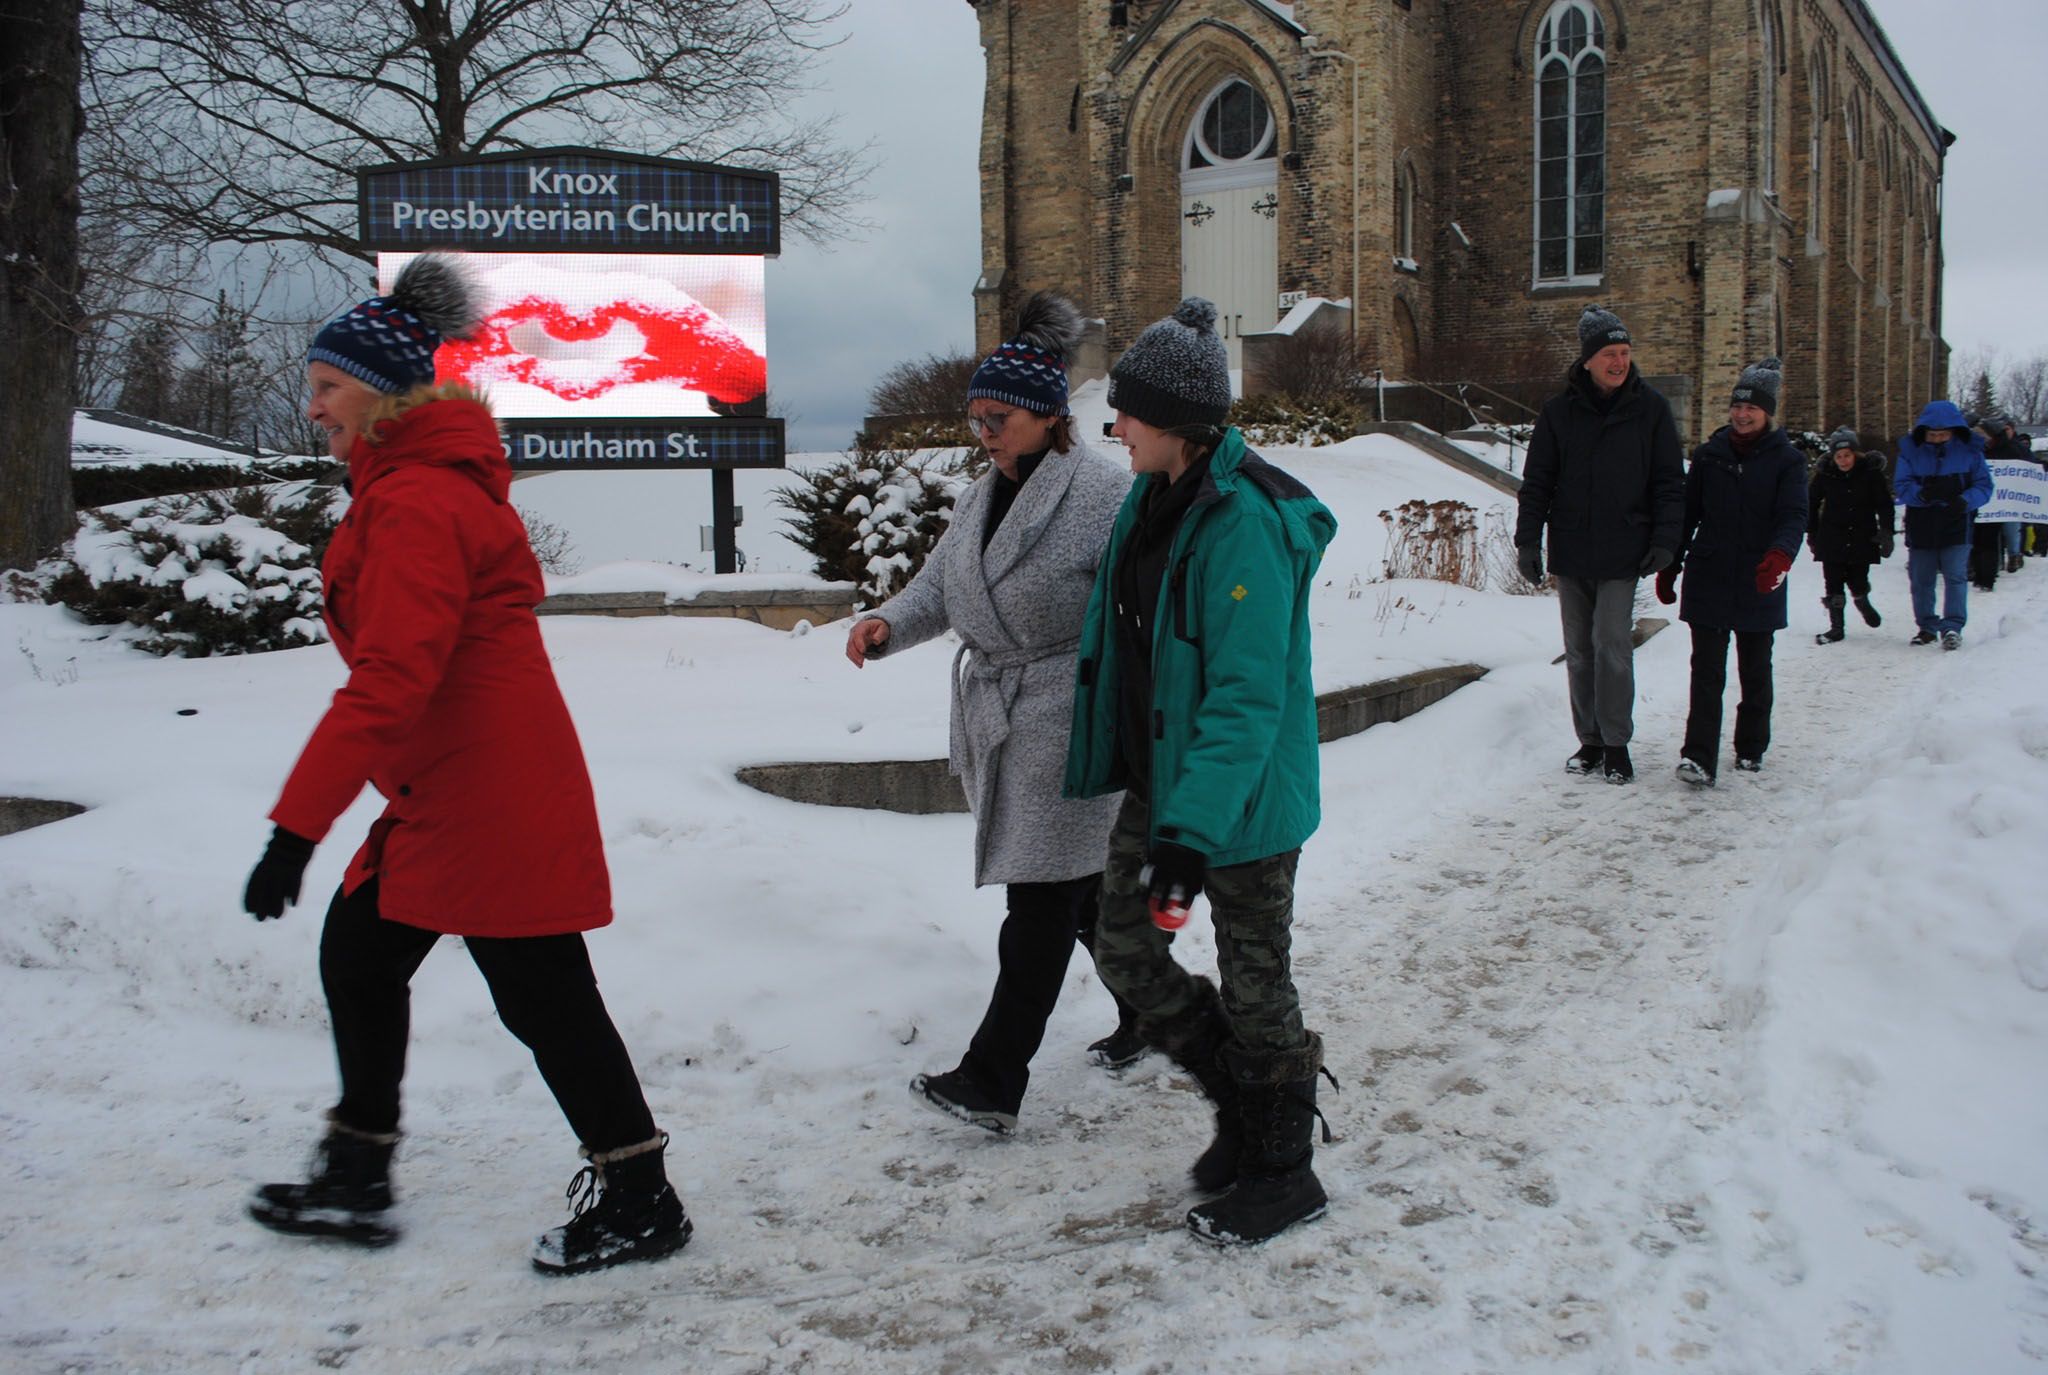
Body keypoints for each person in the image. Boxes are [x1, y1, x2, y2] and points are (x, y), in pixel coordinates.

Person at [240, 255, 687, 1276]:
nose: (311, 408)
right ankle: (357, 1168)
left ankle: (641, 1196)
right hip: (451, 786)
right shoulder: (410, 488)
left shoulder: (416, 502)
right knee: (360, 957)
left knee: (543, 995)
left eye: (325, 388)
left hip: (488, 795)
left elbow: (391, 677)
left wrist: (294, 828)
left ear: (384, 395)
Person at [1064, 297, 1338, 1247]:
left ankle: (1283, 1168)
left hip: (1242, 802)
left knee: (1257, 981)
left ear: (1175, 420)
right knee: (1125, 947)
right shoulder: (1153, 498)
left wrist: (1189, 835)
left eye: (1126, 412)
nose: (1115, 427)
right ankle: (1239, 1096)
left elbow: (1245, 695)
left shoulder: (1245, 523)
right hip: (1163, 784)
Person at [846, 292, 1139, 1137]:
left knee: (1040, 906)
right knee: (1078, 895)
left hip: (1066, 718)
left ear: (1049, 415)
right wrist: (888, 623)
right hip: (1000, 715)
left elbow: (1141, 608)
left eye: (998, 418)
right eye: (976, 419)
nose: (984, 433)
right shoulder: (983, 494)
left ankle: (993, 1076)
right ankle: (1153, 1009)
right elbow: (941, 586)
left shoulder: (1101, 494)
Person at [1515, 305, 1686, 785]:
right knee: (1579, 649)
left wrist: (1666, 541)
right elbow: (1538, 483)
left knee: (1612, 644)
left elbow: (1670, 482)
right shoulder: (1559, 412)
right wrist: (1528, 541)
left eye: (1625, 353)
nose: (1619, 362)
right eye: (1609, 353)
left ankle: (1616, 743)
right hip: (1572, 548)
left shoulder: (1650, 409)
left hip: (1624, 548)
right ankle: (1589, 740)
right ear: (1588, 359)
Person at [1658, 359, 1807, 785]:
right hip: (1710, 573)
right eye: (1737, 407)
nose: (1742, 415)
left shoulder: (1788, 461)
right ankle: (1698, 756)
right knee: (1706, 671)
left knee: (1755, 669)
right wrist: (1671, 562)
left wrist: (1779, 556)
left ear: (1768, 413)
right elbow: (1689, 514)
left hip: (1759, 575)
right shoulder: (1709, 456)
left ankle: (1751, 747)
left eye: (1752, 409)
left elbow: (1794, 516)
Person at [1895, 399, 1993, 650]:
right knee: (1921, 579)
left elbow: (1984, 486)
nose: (1937, 439)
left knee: (1955, 577)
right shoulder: (1911, 452)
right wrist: (1922, 494)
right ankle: (1926, 626)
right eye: (1932, 434)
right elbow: (1901, 486)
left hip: (1956, 523)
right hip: (1922, 523)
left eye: (1943, 434)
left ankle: (1952, 626)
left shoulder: (1970, 452)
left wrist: (1964, 501)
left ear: (1954, 432)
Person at [1806, 426, 1895, 644]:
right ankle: (1837, 627)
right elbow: (1811, 502)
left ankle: (1861, 598)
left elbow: (1884, 504)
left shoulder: (1870, 474)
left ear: (1855, 454)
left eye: (1847, 455)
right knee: (1833, 581)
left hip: (1862, 535)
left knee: (1858, 579)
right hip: (1832, 535)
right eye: (1839, 456)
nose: (1843, 461)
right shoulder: (1826, 475)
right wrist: (1812, 532)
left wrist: (1886, 532)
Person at [1979, 412, 2031, 574]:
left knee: (2011, 526)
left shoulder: (2016, 447)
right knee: (1991, 531)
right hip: (1990, 497)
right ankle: (1996, 562)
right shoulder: (1983, 448)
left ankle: (2014, 555)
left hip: (2010, 497)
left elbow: (2030, 463)